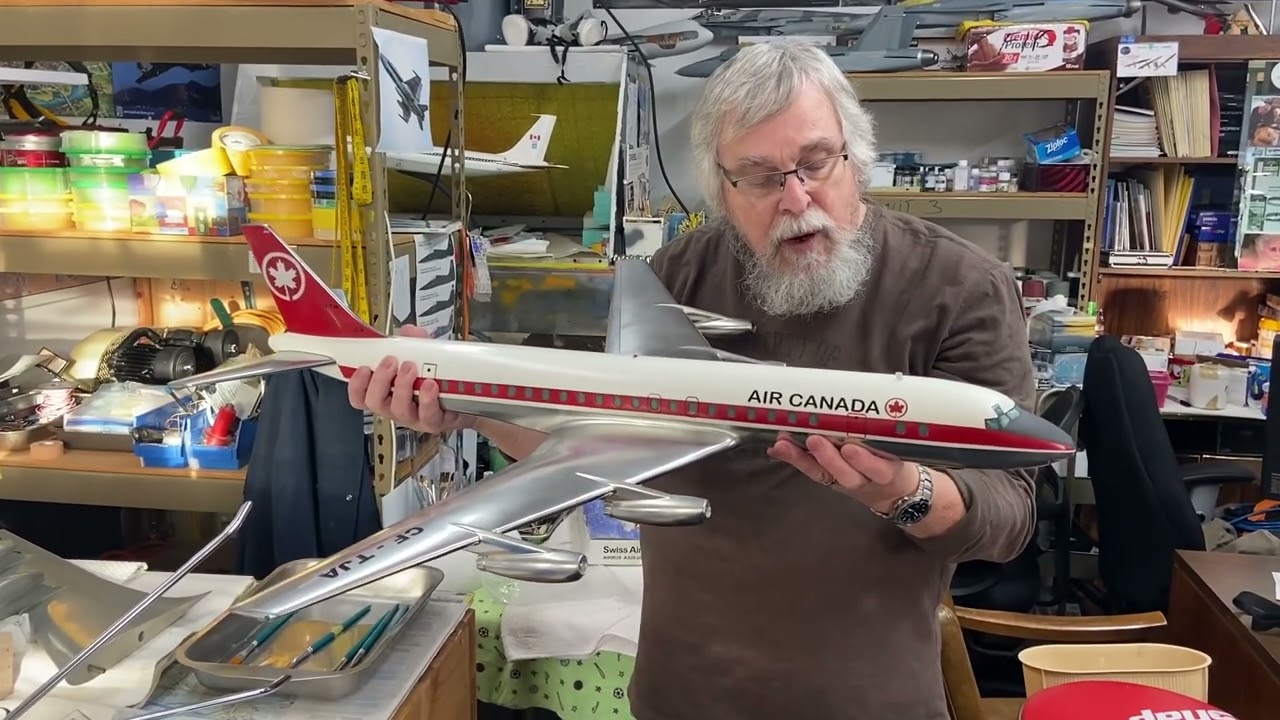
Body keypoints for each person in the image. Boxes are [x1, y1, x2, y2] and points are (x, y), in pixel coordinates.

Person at [349, 41, 1036, 720]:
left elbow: (1008, 518)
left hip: (867, 704)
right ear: (722, 187)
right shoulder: (675, 279)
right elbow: (597, 443)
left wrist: (903, 491)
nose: (796, 198)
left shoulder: (958, 287)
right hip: (684, 697)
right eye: (760, 177)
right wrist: (465, 407)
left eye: (815, 162)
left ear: (855, 152)